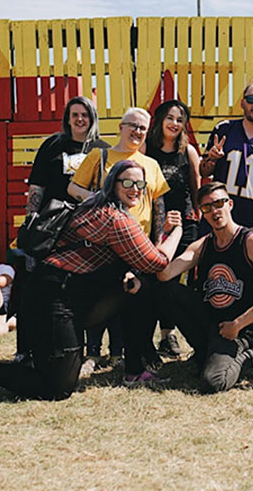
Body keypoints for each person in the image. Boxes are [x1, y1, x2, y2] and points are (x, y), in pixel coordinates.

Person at [0, 161, 183, 402]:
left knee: (138, 288)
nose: (136, 189)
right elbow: (157, 263)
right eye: (128, 182)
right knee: (56, 388)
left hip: (67, 295)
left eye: (141, 184)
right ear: (113, 184)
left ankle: (134, 369)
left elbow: (138, 259)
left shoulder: (94, 205)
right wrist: (177, 233)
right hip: (52, 298)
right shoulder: (115, 218)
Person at [69, 107, 169, 370]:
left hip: (138, 245)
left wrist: (157, 242)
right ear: (120, 127)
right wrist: (98, 200)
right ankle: (92, 353)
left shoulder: (151, 164)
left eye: (143, 128)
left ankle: (123, 353)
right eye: (132, 125)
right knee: (102, 297)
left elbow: (158, 206)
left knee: (133, 300)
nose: (137, 132)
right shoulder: (100, 156)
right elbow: (72, 187)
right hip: (103, 244)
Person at [156, 182, 253, 393]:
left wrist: (238, 324)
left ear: (230, 204)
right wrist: (171, 231)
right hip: (213, 324)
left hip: (240, 330)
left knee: (213, 382)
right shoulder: (203, 245)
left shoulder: (250, 241)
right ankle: (206, 351)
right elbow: (164, 273)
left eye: (219, 203)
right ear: (202, 213)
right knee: (166, 290)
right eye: (207, 207)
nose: (214, 211)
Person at [17, 96, 109, 359]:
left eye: (85, 115)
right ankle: (27, 349)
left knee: (82, 290)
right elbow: (37, 187)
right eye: (75, 114)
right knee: (36, 286)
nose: (80, 120)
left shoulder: (102, 149)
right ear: (67, 118)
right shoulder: (52, 146)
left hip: (86, 229)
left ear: (92, 118)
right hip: (51, 226)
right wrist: (31, 219)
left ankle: (84, 350)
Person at [144, 99, 201, 358]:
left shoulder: (187, 151)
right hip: (155, 225)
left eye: (180, 119)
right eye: (170, 117)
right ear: (160, 120)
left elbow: (195, 185)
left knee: (174, 280)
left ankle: (168, 335)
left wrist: (198, 214)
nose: (174, 123)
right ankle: (145, 337)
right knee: (153, 279)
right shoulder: (147, 149)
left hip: (185, 224)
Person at [199, 78, 253, 237]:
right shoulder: (224, 129)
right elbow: (204, 172)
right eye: (251, 99)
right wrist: (211, 159)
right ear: (242, 103)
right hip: (217, 219)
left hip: (252, 223)